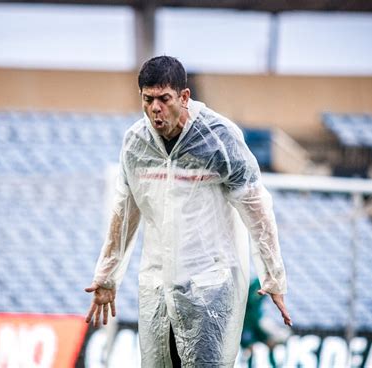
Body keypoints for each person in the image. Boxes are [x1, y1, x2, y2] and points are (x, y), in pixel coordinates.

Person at [85, 55, 292, 367]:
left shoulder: (219, 139)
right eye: (148, 99)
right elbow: (124, 211)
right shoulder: (136, 144)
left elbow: (257, 208)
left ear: (184, 97)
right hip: (158, 287)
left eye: (164, 99)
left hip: (208, 287)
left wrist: (273, 275)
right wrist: (107, 276)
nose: (155, 108)